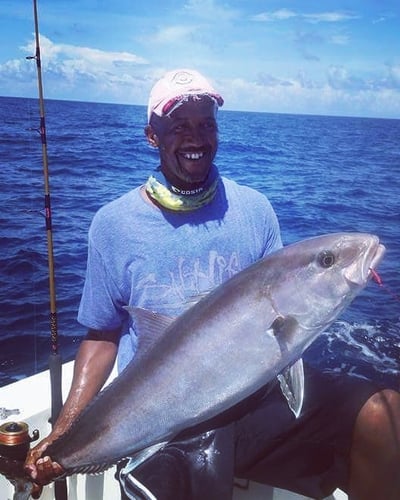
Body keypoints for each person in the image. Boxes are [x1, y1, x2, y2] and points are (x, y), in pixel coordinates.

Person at [25, 69, 400, 500]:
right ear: (152, 136)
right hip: (164, 415)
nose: (196, 137)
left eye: (206, 124)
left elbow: (280, 316)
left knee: (383, 412)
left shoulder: (254, 210)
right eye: (179, 126)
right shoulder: (113, 225)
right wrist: (66, 427)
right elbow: (104, 333)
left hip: (254, 401)